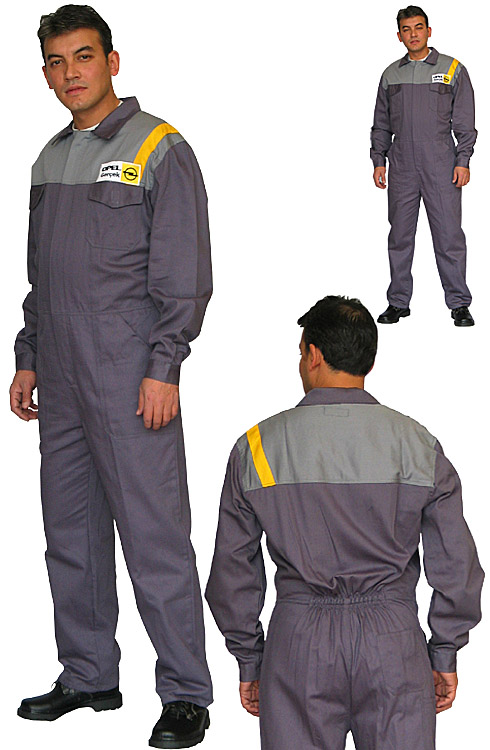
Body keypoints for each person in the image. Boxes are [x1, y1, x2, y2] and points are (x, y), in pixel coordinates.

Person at [9, 5, 213, 748]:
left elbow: (185, 272)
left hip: (131, 376)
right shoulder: (47, 159)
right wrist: (28, 354)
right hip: (61, 376)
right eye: (57, 62)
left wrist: (165, 365)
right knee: (71, 533)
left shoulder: (160, 146)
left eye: (84, 56)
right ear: (45, 74)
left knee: (154, 537)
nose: (71, 73)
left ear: (113, 61)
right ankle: (89, 673)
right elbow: (41, 275)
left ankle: (186, 692)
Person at [205, 295, 483, 750]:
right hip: (393, 645)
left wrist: (250, 658)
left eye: (300, 352)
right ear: (367, 362)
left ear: (313, 355)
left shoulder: (256, 448)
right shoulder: (418, 444)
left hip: (298, 645)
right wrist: (445, 651)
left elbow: (232, 571)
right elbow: (457, 564)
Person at [371, 6, 477, 327]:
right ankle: (398, 302)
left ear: (429, 31)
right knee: (400, 237)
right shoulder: (391, 74)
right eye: (406, 29)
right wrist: (379, 160)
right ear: (399, 35)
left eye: (418, 27)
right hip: (402, 165)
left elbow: (465, 121)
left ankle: (459, 303)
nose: (413, 34)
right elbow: (381, 122)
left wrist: (463, 160)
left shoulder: (452, 68)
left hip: (441, 165)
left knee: (448, 236)